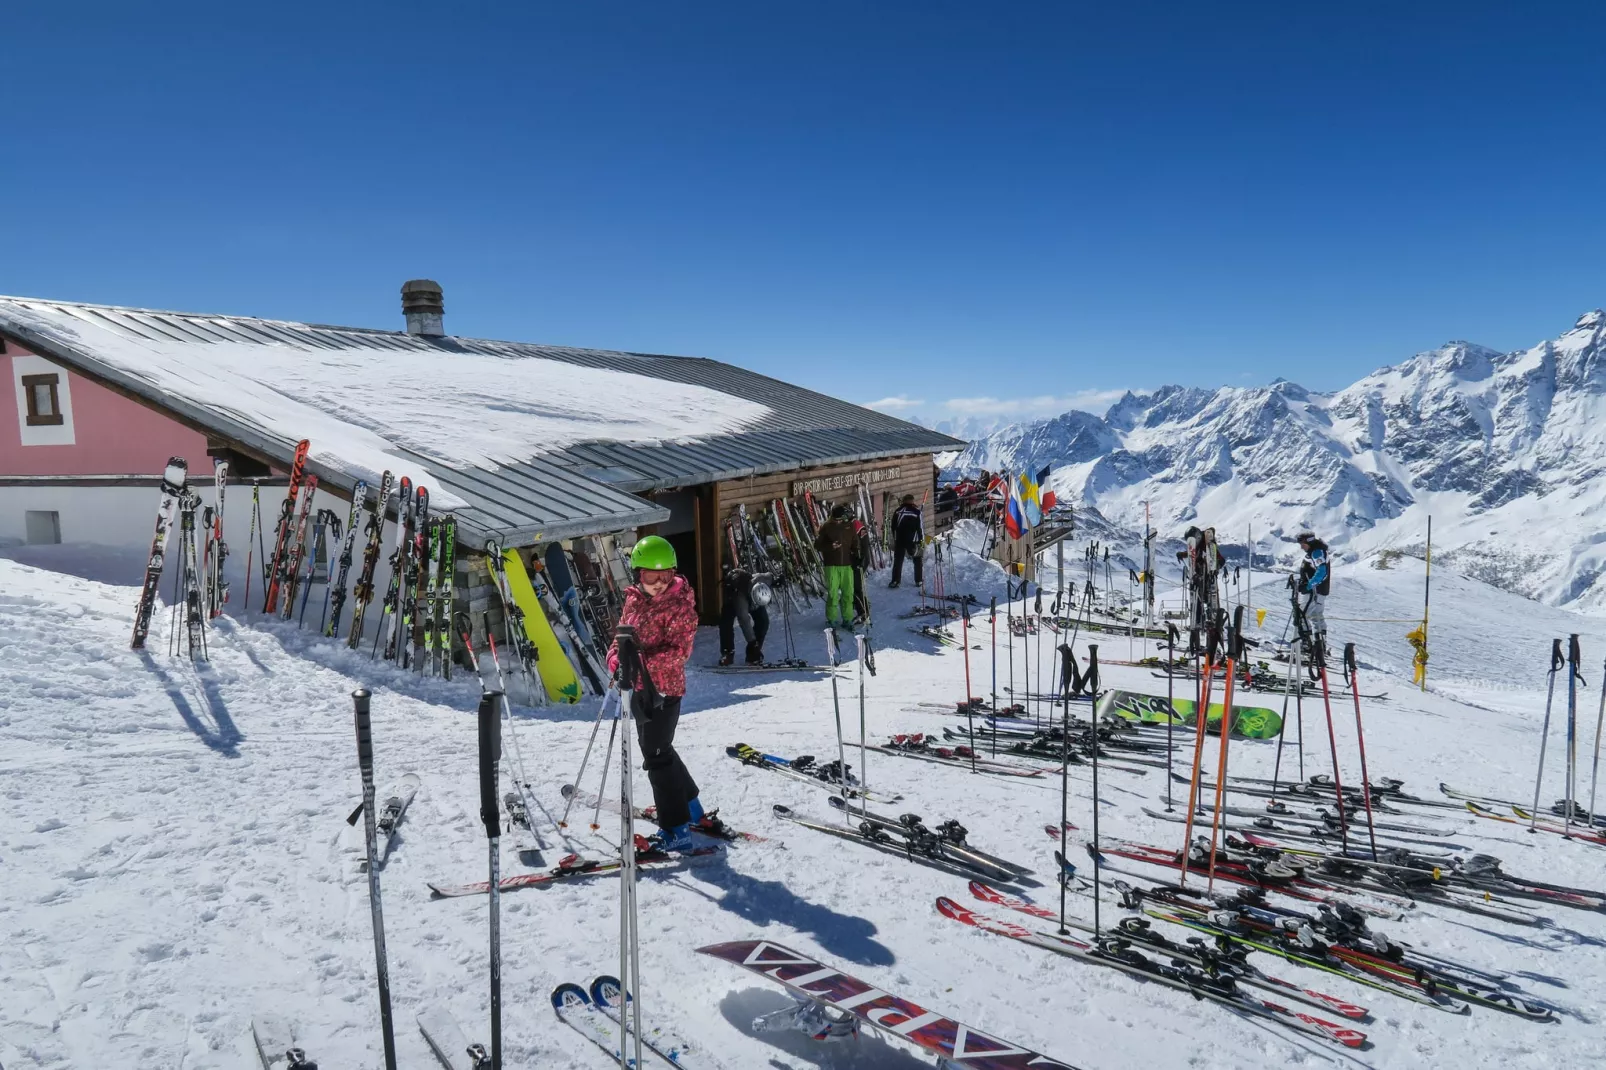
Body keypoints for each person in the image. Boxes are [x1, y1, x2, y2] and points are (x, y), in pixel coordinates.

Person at [607, 534, 721, 851]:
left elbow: (679, 652)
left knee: (656, 757)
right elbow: (622, 635)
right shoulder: (634, 600)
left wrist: (639, 660)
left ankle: (676, 828)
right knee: (660, 750)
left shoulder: (681, 607)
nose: (658, 583)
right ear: (638, 575)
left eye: (665, 576)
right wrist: (616, 656)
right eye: (650, 576)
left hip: (665, 691)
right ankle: (695, 811)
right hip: (640, 689)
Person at [813, 504, 857, 630]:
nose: (840, 521)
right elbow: (817, 546)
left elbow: (855, 542)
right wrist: (830, 547)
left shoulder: (849, 526)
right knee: (833, 594)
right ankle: (831, 619)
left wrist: (858, 556)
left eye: (842, 519)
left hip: (847, 564)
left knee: (848, 593)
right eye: (838, 519)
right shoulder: (826, 527)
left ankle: (847, 618)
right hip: (831, 565)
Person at [719, 563, 771, 666]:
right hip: (733, 593)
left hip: (751, 593)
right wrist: (752, 642)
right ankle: (728, 653)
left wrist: (778, 580)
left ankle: (753, 655)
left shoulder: (762, 581)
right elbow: (744, 621)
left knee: (763, 621)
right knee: (726, 623)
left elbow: (770, 576)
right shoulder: (740, 599)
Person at [1295, 531, 1330, 653]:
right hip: (1317, 591)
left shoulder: (1317, 553)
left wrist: (1309, 586)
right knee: (1316, 616)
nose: (1301, 546)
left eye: (1302, 543)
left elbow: (1322, 572)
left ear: (1309, 542)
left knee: (1306, 615)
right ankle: (1319, 645)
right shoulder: (1315, 552)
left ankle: (1309, 645)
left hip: (1314, 592)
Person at [889, 493, 924, 589]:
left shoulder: (898, 511)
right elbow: (920, 528)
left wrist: (895, 538)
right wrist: (921, 540)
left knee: (898, 560)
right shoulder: (917, 512)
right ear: (912, 501)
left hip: (900, 539)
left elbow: (893, 527)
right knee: (917, 559)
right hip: (912, 540)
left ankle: (895, 580)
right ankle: (919, 580)